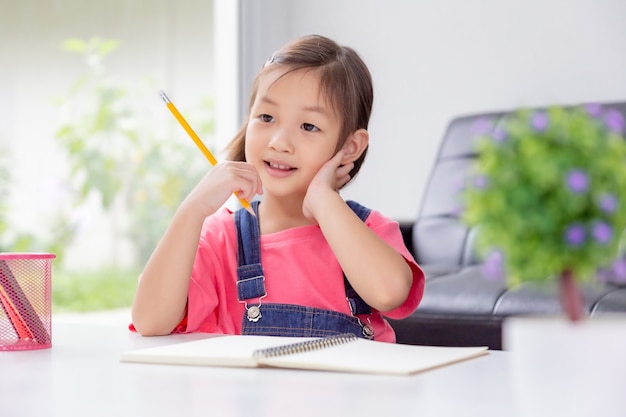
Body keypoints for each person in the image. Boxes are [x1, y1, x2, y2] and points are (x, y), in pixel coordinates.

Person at [131, 34, 425, 343]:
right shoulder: (222, 240)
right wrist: (193, 210)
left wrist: (323, 200)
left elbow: (389, 292)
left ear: (351, 147)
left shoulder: (368, 230)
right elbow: (150, 321)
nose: (279, 142)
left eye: (308, 126)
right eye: (266, 117)